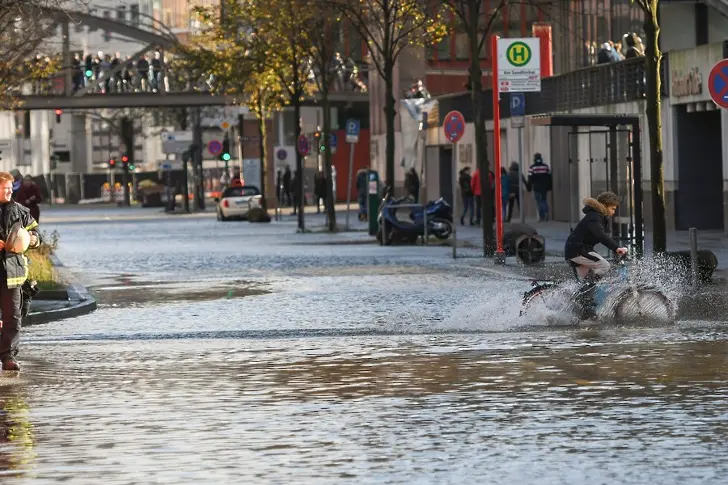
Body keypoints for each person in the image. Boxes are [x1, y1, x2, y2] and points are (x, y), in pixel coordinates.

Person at [0, 172, 41, 370]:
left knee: (12, 317)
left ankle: (8, 357)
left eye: (10, 188)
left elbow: (36, 233)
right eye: (4, 188)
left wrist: (30, 240)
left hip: (13, 272)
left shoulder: (20, 211)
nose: (8, 192)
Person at [564, 191, 628, 319]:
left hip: (578, 250)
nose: (613, 212)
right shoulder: (594, 217)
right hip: (578, 250)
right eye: (612, 208)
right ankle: (584, 296)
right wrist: (616, 248)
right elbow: (601, 235)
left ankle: (585, 313)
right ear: (604, 205)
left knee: (587, 285)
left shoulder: (596, 216)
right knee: (604, 265)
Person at [527, 153, 552, 222]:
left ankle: (542, 217)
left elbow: (530, 178)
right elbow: (549, 177)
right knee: (544, 200)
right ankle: (546, 212)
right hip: (544, 187)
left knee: (539, 201)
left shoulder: (532, 167)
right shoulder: (545, 167)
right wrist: (549, 186)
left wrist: (529, 187)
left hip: (536, 187)